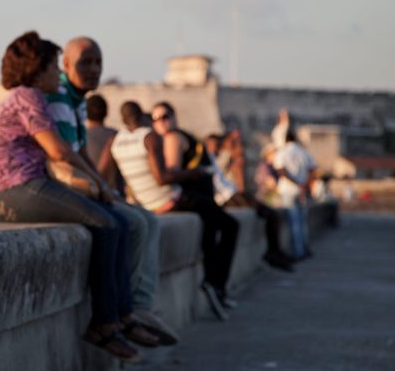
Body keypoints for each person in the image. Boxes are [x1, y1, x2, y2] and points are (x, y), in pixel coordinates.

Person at [0, 32, 157, 362]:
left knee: (114, 221)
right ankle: (105, 324)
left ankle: (119, 317)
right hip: (14, 188)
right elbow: (59, 150)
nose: (57, 77)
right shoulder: (28, 97)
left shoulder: (32, 96)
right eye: (52, 68)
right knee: (107, 223)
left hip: (22, 186)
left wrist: (99, 184)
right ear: (37, 70)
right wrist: (98, 183)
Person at [45, 37, 177, 345]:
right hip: (61, 186)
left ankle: (136, 309)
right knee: (127, 223)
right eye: (85, 63)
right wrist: (99, 189)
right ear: (65, 66)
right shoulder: (59, 98)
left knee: (145, 220)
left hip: (79, 184)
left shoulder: (75, 100)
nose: (94, 70)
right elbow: (62, 158)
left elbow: (82, 155)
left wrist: (103, 186)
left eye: (97, 63)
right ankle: (124, 313)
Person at [149, 101, 240, 320]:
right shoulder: (172, 138)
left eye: (166, 116)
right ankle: (216, 283)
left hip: (200, 198)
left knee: (211, 236)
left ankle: (215, 284)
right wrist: (197, 173)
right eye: (157, 119)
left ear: (174, 116)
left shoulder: (174, 136)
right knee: (230, 226)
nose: (162, 122)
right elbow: (172, 172)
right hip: (192, 199)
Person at [204, 135, 295, 272]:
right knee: (270, 214)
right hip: (229, 197)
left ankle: (275, 251)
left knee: (271, 214)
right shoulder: (209, 159)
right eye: (216, 146)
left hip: (233, 194)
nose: (219, 149)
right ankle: (273, 253)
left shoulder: (216, 160)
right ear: (208, 146)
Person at [273, 130, 316, 260]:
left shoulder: (283, 152)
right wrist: (304, 185)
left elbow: (281, 170)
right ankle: (304, 248)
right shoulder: (304, 153)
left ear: (285, 140)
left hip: (288, 191)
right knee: (302, 222)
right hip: (302, 191)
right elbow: (312, 170)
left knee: (294, 222)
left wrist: (295, 182)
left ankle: (298, 252)